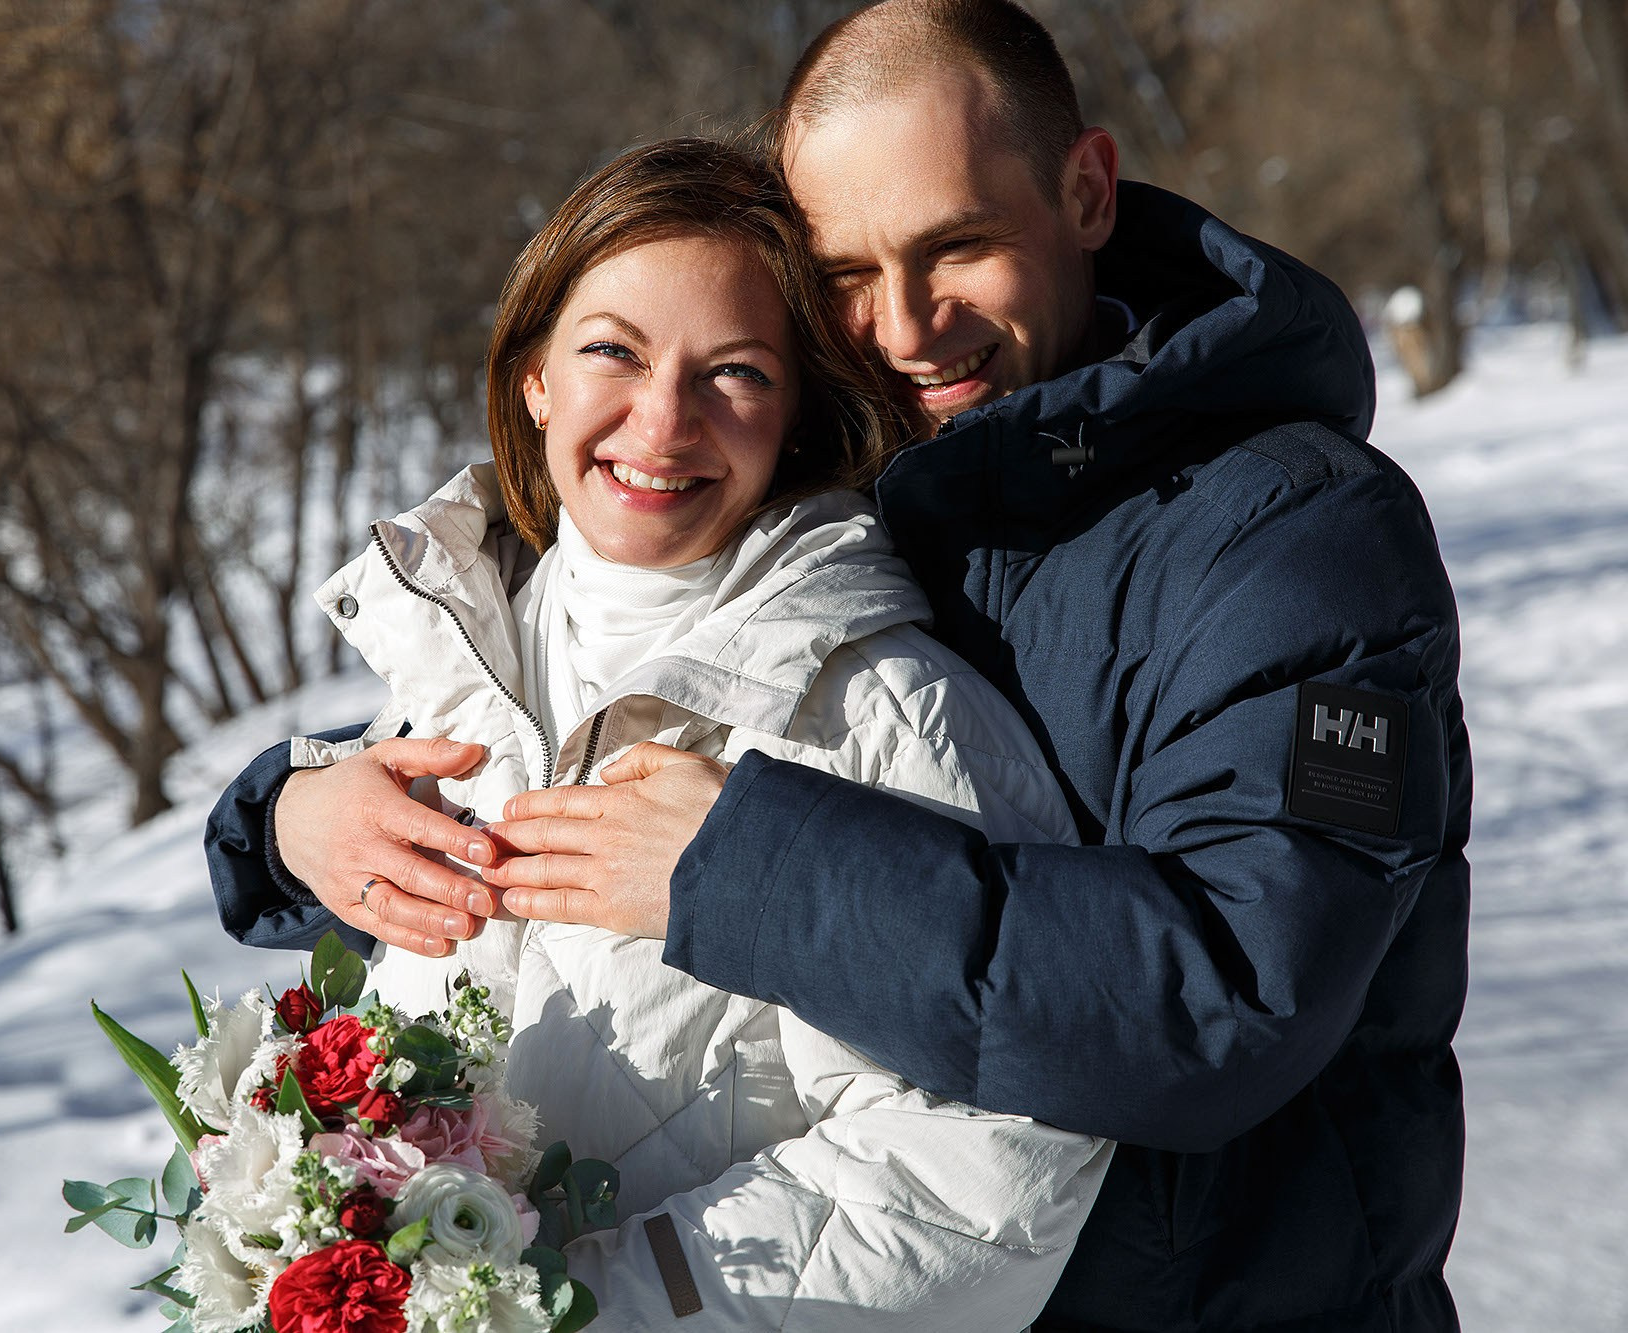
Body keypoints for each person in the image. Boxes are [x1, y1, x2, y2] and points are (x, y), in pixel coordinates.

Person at [208, 3, 1471, 1330]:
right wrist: (291, 814)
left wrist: (744, 870)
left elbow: (1234, 995)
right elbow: (545, 727)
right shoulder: (865, 477)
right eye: (849, 276)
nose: (910, 326)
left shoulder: (1295, 532)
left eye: (959, 247)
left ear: (1086, 191)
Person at [279, 136, 1110, 1328]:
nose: (661, 421)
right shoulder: (446, 672)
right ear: (534, 379)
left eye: (734, 374)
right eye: (612, 350)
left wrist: (595, 1301)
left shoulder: (878, 706)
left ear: (795, 418)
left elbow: (990, 1164)